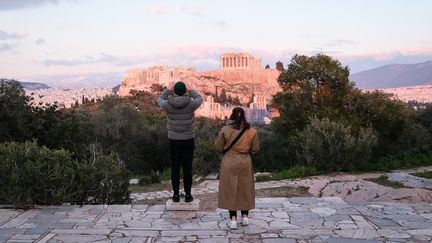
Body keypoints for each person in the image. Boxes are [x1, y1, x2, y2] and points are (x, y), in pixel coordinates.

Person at [157, 81, 203, 203]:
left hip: (173, 140)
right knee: (188, 168)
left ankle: (176, 195)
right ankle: (188, 195)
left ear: (174, 92)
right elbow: (199, 98)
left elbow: (159, 100)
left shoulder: (168, 104)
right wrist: (191, 89)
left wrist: (167, 89)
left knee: (175, 168)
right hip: (188, 139)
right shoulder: (191, 104)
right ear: (185, 91)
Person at [215, 107, 260, 229]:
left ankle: (233, 220)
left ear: (232, 115)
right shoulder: (252, 131)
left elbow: (218, 147)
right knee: (245, 188)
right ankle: (245, 217)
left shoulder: (225, 130)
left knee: (230, 189)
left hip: (229, 161)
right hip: (245, 161)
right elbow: (255, 149)